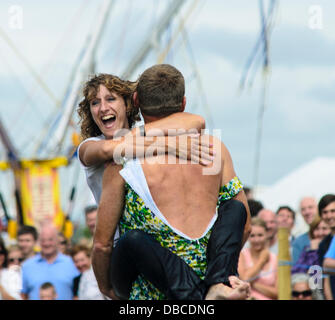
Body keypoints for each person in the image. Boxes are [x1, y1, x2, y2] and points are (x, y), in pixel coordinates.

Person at [92, 64, 251, 300]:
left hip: (152, 293)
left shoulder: (122, 161)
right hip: (210, 287)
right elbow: (244, 225)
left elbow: (102, 245)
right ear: (183, 103)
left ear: (135, 100)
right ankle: (216, 283)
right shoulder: (213, 149)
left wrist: (106, 288)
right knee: (234, 208)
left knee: (132, 241)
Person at [21, 223, 80, 300]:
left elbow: (78, 293)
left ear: (57, 240)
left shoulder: (71, 263)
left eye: (50, 239)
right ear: (39, 242)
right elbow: (23, 295)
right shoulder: (27, 266)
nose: (47, 243)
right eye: (43, 240)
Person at [238, 217, 278, 300]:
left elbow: (278, 293)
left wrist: (252, 284)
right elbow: (244, 279)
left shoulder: (275, 259)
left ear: (267, 235)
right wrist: (262, 261)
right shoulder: (242, 255)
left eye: (260, 235)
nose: (256, 240)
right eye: (252, 236)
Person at [317, 194, 335, 300]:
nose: (329, 216)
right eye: (325, 212)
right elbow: (324, 277)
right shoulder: (323, 244)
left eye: (333, 211)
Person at [292, 197, 318, 265]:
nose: (307, 212)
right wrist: (313, 252)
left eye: (310, 207)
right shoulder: (298, 242)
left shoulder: (331, 238)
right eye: (303, 209)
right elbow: (298, 271)